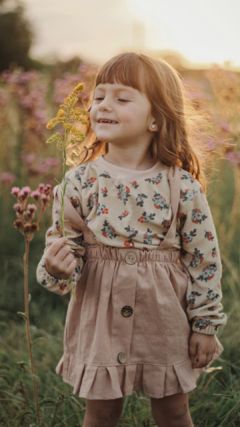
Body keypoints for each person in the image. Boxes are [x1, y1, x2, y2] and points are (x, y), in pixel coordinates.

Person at [36, 52, 227, 427]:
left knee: (173, 410)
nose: (104, 105)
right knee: (101, 412)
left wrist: (205, 326)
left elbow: (204, 259)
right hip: (100, 319)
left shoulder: (180, 185)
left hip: (165, 319)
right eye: (99, 96)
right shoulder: (79, 181)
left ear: (156, 117)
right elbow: (63, 256)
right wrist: (56, 268)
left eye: (122, 98)